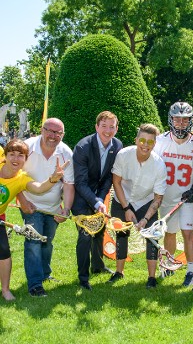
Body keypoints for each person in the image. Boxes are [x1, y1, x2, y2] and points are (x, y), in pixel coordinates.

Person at [0, 139, 67, 300]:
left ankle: (6, 290)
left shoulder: (22, 179)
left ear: (25, 159)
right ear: (5, 156)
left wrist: (53, 178)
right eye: (12, 154)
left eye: (20, 156)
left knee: (4, 253)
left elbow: (38, 188)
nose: (16, 159)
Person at [17, 118, 75, 297]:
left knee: (47, 241)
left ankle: (44, 274)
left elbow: (68, 184)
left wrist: (66, 209)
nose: (53, 135)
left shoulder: (66, 152)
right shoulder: (26, 148)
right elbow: (14, 176)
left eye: (58, 133)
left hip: (53, 206)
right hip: (30, 203)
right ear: (41, 130)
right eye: (49, 130)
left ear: (62, 135)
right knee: (34, 241)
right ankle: (35, 285)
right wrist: (22, 201)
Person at [107, 123, 167, 289]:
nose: (145, 145)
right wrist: (126, 208)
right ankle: (119, 272)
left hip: (146, 202)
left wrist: (146, 219)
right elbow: (116, 182)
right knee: (121, 234)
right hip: (122, 199)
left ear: (154, 144)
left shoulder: (159, 165)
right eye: (142, 140)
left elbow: (158, 198)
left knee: (152, 236)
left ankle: (151, 277)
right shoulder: (123, 155)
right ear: (136, 140)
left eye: (150, 142)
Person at [153, 101, 193, 286]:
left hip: (188, 197)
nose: (180, 124)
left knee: (188, 232)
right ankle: (168, 264)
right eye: (177, 120)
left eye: (185, 120)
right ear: (170, 120)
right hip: (167, 196)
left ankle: (191, 272)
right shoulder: (161, 141)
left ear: (190, 121)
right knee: (170, 232)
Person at [72, 111, 122, 291]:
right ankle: (83, 277)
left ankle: (98, 266)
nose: (108, 131)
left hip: (98, 196)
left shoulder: (117, 145)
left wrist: (100, 199)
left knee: (99, 231)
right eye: (104, 126)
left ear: (116, 128)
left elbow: (108, 177)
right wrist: (95, 202)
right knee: (85, 236)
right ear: (96, 127)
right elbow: (80, 182)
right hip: (80, 197)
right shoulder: (83, 147)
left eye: (112, 127)